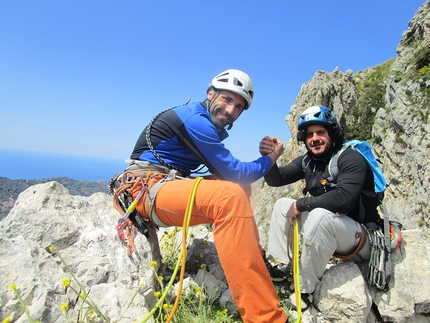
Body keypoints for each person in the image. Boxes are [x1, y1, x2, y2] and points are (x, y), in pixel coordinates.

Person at [120, 69, 287, 323]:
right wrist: (270, 158)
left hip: (163, 185)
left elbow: (230, 172)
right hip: (145, 190)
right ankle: (266, 318)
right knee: (230, 195)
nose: (231, 110)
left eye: (238, 106)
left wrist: (264, 158)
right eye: (227, 100)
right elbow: (236, 172)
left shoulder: (201, 121)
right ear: (211, 94)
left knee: (239, 191)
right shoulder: (196, 122)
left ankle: (256, 265)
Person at [259, 105, 382, 310]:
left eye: (321, 132)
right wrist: (270, 158)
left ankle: (305, 290)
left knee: (318, 216)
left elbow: (344, 199)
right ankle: (281, 267)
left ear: (332, 134)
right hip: (331, 230)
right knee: (282, 205)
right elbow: (276, 180)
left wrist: (302, 203)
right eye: (309, 135)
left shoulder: (350, 158)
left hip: (361, 239)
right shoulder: (309, 161)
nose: (314, 138)